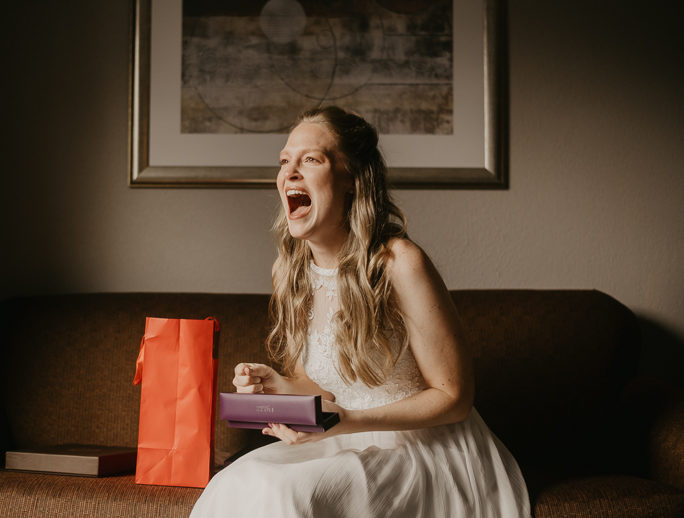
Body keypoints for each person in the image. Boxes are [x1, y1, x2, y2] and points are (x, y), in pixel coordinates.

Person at [189, 106, 530, 518]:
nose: (289, 173)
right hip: (342, 439)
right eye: (284, 161)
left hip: (424, 449)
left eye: (310, 160)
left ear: (351, 178)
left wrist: (346, 420)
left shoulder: (399, 262)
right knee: (236, 482)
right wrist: (280, 387)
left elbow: (454, 397)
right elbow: (324, 391)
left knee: (287, 495)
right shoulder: (288, 272)